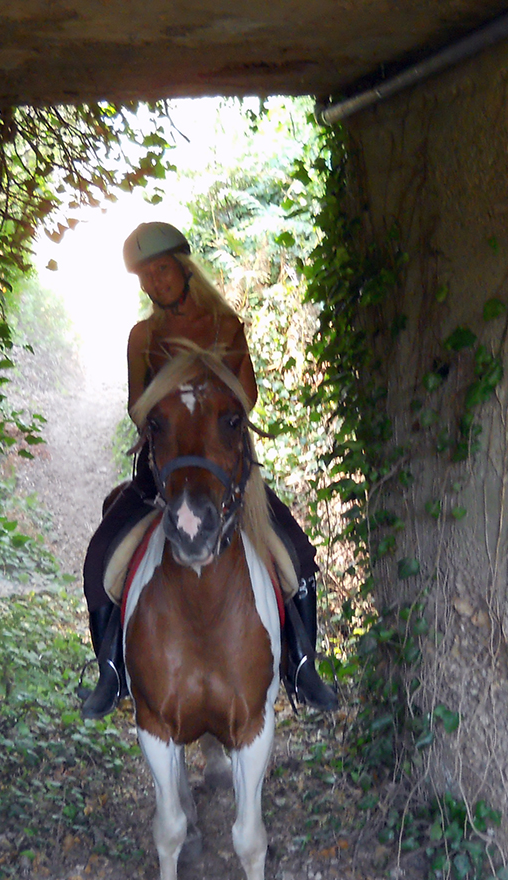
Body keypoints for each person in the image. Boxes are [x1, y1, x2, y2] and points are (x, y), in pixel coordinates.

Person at [79, 222, 338, 719]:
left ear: (182, 267)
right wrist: (172, 404)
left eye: (161, 269)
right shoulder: (143, 337)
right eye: (146, 276)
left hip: (224, 466)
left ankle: (303, 666)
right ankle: (110, 672)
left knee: (297, 555)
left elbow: (248, 397)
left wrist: (208, 398)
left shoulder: (226, 326)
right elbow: (138, 406)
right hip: (164, 473)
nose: (156, 282)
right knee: (99, 560)